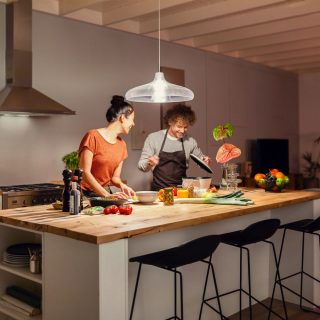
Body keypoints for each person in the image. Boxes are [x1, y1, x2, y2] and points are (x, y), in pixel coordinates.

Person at [138, 104, 211, 190]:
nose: (182, 131)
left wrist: (205, 160)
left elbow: (201, 160)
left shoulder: (190, 141)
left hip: (182, 191)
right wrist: (149, 163)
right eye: (179, 126)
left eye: (186, 127)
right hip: (159, 192)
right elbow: (141, 165)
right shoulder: (153, 138)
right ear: (170, 122)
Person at [79, 95, 135, 199]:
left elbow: (115, 178)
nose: (133, 123)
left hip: (105, 193)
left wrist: (123, 185)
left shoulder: (122, 145)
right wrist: (107, 195)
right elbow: (84, 173)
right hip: (84, 195)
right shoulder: (92, 136)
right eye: (132, 119)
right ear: (122, 118)